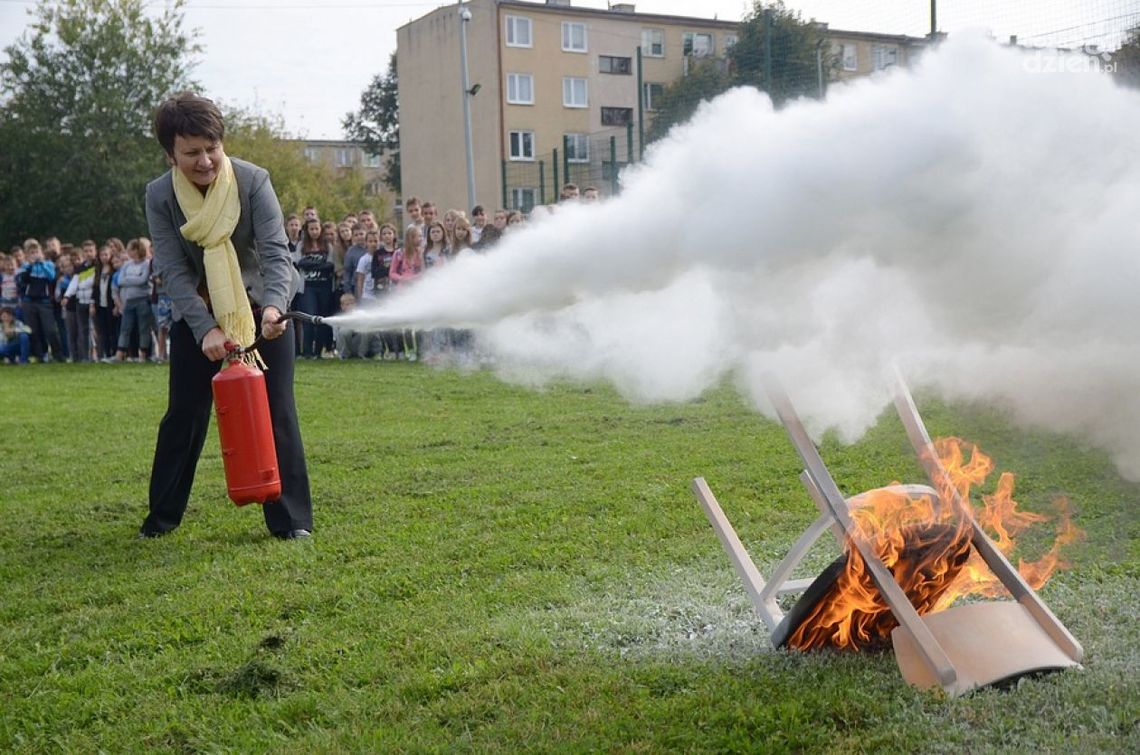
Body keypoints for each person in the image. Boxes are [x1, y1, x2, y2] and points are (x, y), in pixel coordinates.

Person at [139, 91, 311, 540]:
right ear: (171, 155)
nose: (205, 161)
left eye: (211, 148)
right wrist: (206, 329)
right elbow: (173, 270)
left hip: (262, 309)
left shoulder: (253, 181)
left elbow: (276, 254)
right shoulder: (159, 196)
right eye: (191, 152)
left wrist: (273, 308)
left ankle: (292, 522)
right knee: (184, 414)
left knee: (277, 410)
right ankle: (161, 520)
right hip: (199, 314)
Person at [295, 218, 335, 358]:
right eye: (311, 229)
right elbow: (300, 263)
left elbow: (330, 265)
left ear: (321, 229)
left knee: (322, 319)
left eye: (317, 228)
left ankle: (318, 351)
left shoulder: (327, 246)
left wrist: (310, 263)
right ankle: (307, 351)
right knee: (309, 317)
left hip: (324, 286)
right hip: (308, 287)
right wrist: (319, 264)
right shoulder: (301, 245)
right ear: (307, 230)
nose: (314, 231)